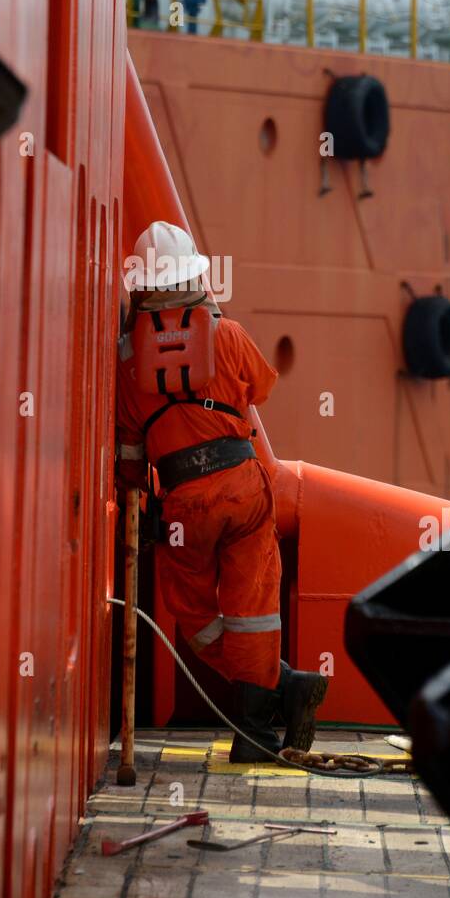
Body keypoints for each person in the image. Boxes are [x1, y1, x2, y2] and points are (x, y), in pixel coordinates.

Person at [116, 220, 327, 763]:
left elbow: (132, 458)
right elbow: (261, 386)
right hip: (244, 489)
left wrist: (139, 485)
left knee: (195, 615)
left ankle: (279, 694)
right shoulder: (227, 336)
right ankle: (265, 717)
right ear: (194, 279)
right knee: (253, 609)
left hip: (185, 504)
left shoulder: (128, 364)